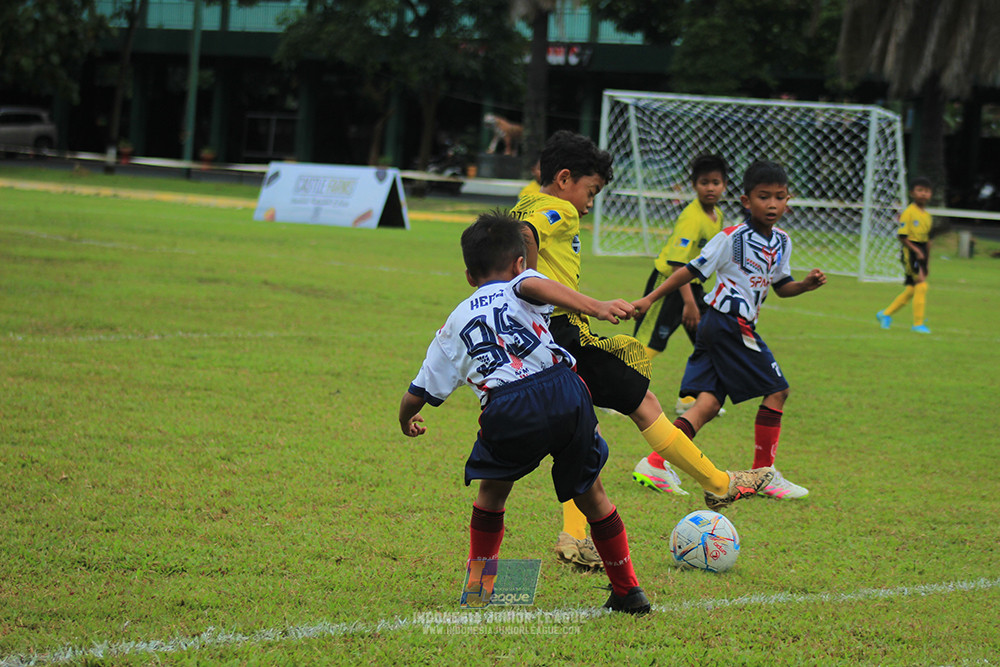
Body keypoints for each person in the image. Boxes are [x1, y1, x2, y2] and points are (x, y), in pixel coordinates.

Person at [512, 130, 775, 570]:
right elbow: (526, 233)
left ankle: (574, 538)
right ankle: (719, 483)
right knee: (643, 405)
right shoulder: (556, 209)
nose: (589, 203)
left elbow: (513, 232)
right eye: (590, 191)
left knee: (582, 435)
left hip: (539, 340)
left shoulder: (526, 198)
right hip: (563, 334)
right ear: (563, 179)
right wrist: (528, 286)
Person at [398, 211, 650, 614]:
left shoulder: (451, 326)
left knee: (492, 493)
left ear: (468, 275)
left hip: (508, 405)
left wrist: (405, 417)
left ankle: (481, 590)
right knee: (591, 492)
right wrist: (596, 306)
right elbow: (536, 284)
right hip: (566, 389)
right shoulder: (522, 282)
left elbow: (418, 391)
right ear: (518, 263)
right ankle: (628, 590)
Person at [632, 160, 827, 501]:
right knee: (778, 391)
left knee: (707, 403)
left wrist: (805, 286)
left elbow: (781, 286)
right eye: (763, 196)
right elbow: (689, 270)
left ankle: (655, 463)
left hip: (722, 326)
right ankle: (763, 477)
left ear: (788, 200)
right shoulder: (730, 238)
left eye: (779, 197)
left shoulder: (782, 241)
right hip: (727, 322)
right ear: (745, 200)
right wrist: (650, 298)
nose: (772, 204)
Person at [632, 153, 728, 496]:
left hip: (695, 289)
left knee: (703, 340)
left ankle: (689, 398)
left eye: (716, 182)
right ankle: (615, 390)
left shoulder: (715, 215)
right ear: (694, 186)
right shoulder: (691, 217)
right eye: (704, 183)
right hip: (672, 286)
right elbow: (677, 263)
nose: (711, 188)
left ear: (725, 185)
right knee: (651, 344)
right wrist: (688, 301)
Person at [876, 177, 934, 334]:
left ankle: (885, 314)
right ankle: (918, 324)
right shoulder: (909, 212)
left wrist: (927, 258)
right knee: (922, 285)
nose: (923, 194)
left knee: (911, 289)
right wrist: (916, 251)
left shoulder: (927, 216)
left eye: (926, 191)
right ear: (912, 193)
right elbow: (902, 236)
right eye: (920, 190)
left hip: (922, 251)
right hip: (911, 252)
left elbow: (928, 239)